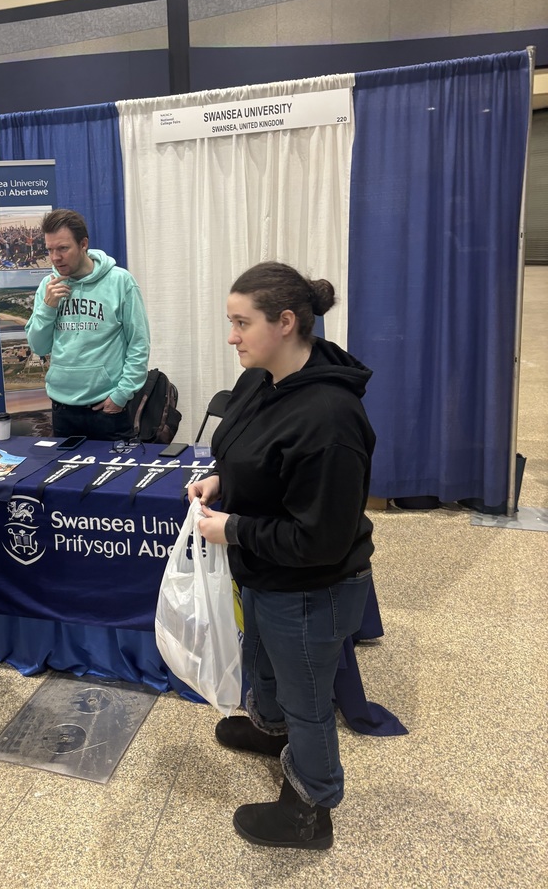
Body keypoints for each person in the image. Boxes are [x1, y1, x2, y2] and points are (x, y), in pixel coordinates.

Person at [188, 261, 376, 850]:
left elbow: (320, 540)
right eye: (231, 322)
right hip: (267, 573)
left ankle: (310, 811)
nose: (231, 337)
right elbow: (251, 454)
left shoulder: (329, 419)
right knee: (263, 661)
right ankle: (272, 731)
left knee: (308, 700)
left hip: (312, 585)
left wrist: (235, 528)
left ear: (286, 322)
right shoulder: (260, 378)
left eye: (242, 323)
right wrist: (222, 480)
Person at [25, 208, 150, 441]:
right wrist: (48, 307)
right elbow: (38, 347)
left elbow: (139, 344)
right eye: (50, 250)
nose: (55, 257)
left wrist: (121, 395)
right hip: (62, 409)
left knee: (114, 467)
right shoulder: (48, 286)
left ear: (83, 244)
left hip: (107, 409)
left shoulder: (120, 281)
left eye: (63, 248)